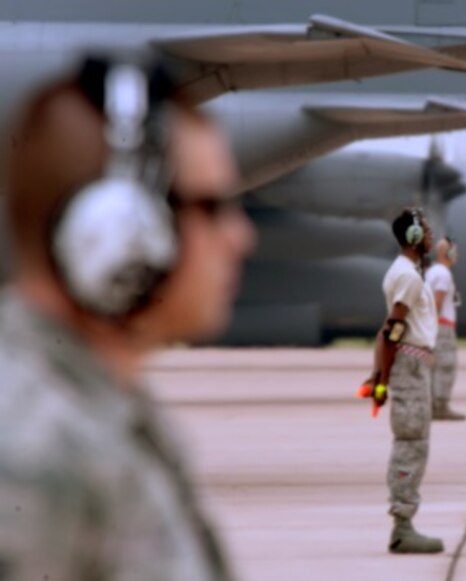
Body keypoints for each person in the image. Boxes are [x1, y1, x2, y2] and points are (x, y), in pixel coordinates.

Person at [0, 55, 254, 579]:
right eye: (211, 208)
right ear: (118, 231)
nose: (240, 237)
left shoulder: (90, 415)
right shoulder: (33, 456)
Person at [368, 208, 443, 554]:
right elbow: (393, 329)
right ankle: (402, 526)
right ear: (413, 237)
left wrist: (378, 375)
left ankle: (404, 522)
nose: (430, 237)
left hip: (410, 365)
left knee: (412, 440)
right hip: (410, 368)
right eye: (425, 230)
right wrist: (382, 380)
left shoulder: (405, 273)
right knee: (411, 442)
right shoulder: (409, 278)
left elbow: (386, 332)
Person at [426, 237, 466, 421]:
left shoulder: (432, 271)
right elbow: (438, 302)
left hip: (434, 326)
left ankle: (434, 404)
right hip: (442, 327)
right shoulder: (443, 274)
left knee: (435, 369)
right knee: (446, 367)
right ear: (448, 253)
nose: (456, 255)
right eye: (454, 251)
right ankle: (441, 406)